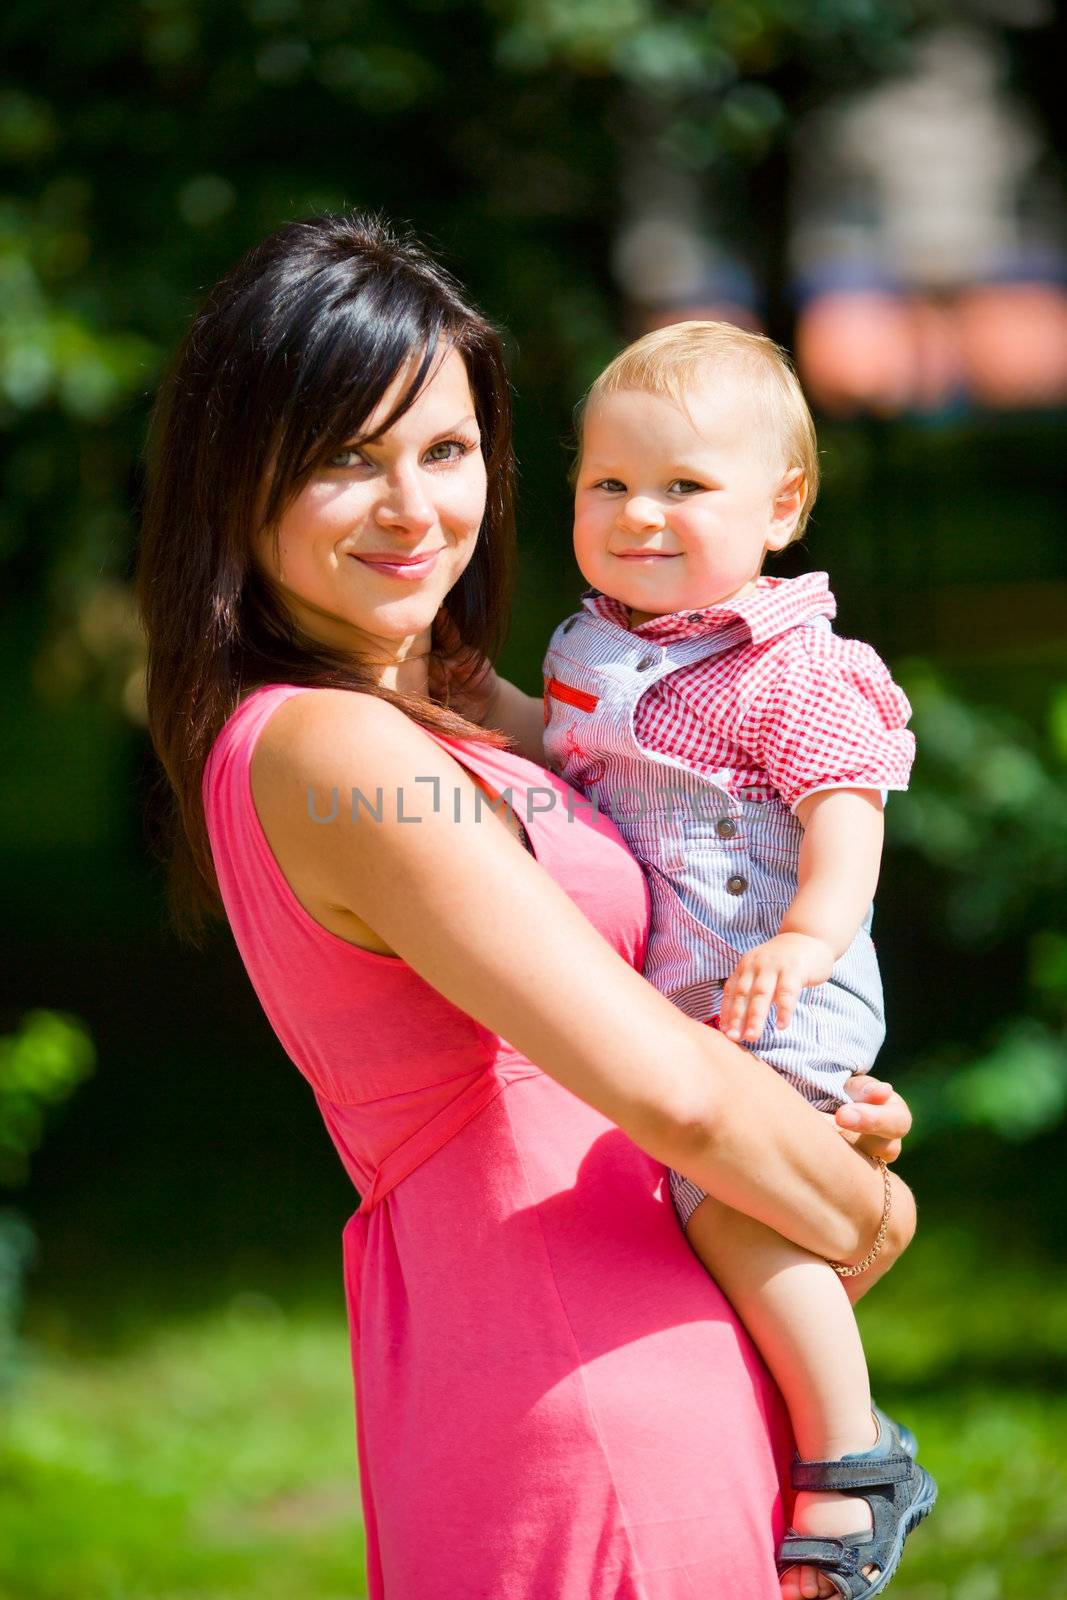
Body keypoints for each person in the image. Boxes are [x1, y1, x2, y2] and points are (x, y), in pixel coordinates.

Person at [136, 213, 917, 1600]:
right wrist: (858, 1215)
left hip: (662, 1346)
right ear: (233, 482)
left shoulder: (448, 716)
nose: (412, 507)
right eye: (340, 458)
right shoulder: (337, 757)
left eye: (443, 450)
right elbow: (664, 1096)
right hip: (572, 1392)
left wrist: (804, 1101)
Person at [542, 319, 936, 1600]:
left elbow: (846, 824)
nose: (637, 514)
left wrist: (805, 941)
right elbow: (548, 753)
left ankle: (853, 1452)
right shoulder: (590, 648)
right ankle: (767, 1420)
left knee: (735, 1208)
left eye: (682, 487)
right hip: (677, 1007)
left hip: (780, 982)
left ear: (780, 507)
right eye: (607, 483)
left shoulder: (796, 669)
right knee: (695, 1210)